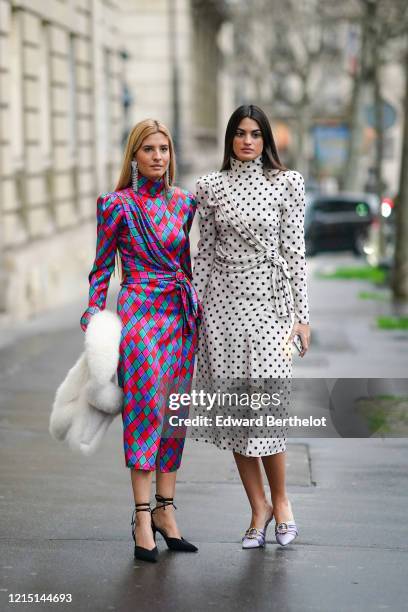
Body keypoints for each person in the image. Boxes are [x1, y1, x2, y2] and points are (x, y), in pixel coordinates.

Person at [80, 119, 199, 562]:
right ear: (134, 155)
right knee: (146, 409)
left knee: (174, 412)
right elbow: (101, 267)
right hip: (140, 314)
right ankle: (142, 516)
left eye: (164, 149)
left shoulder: (185, 204)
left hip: (178, 315)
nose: (157, 157)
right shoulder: (115, 205)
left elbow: (187, 262)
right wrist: (93, 311)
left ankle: (168, 512)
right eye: (148, 149)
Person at [193, 104, 311, 548]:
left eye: (255, 134)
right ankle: (257, 509)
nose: (247, 141)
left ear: (266, 140)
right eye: (240, 133)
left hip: (270, 309)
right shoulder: (209, 186)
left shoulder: (287, 183)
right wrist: (194, 312)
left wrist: (303, 317)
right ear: (230, 139)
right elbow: (203, 255)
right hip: (221, 311)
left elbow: (296, 253)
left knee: (265, 408)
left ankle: (281, 503)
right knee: (236, 413)